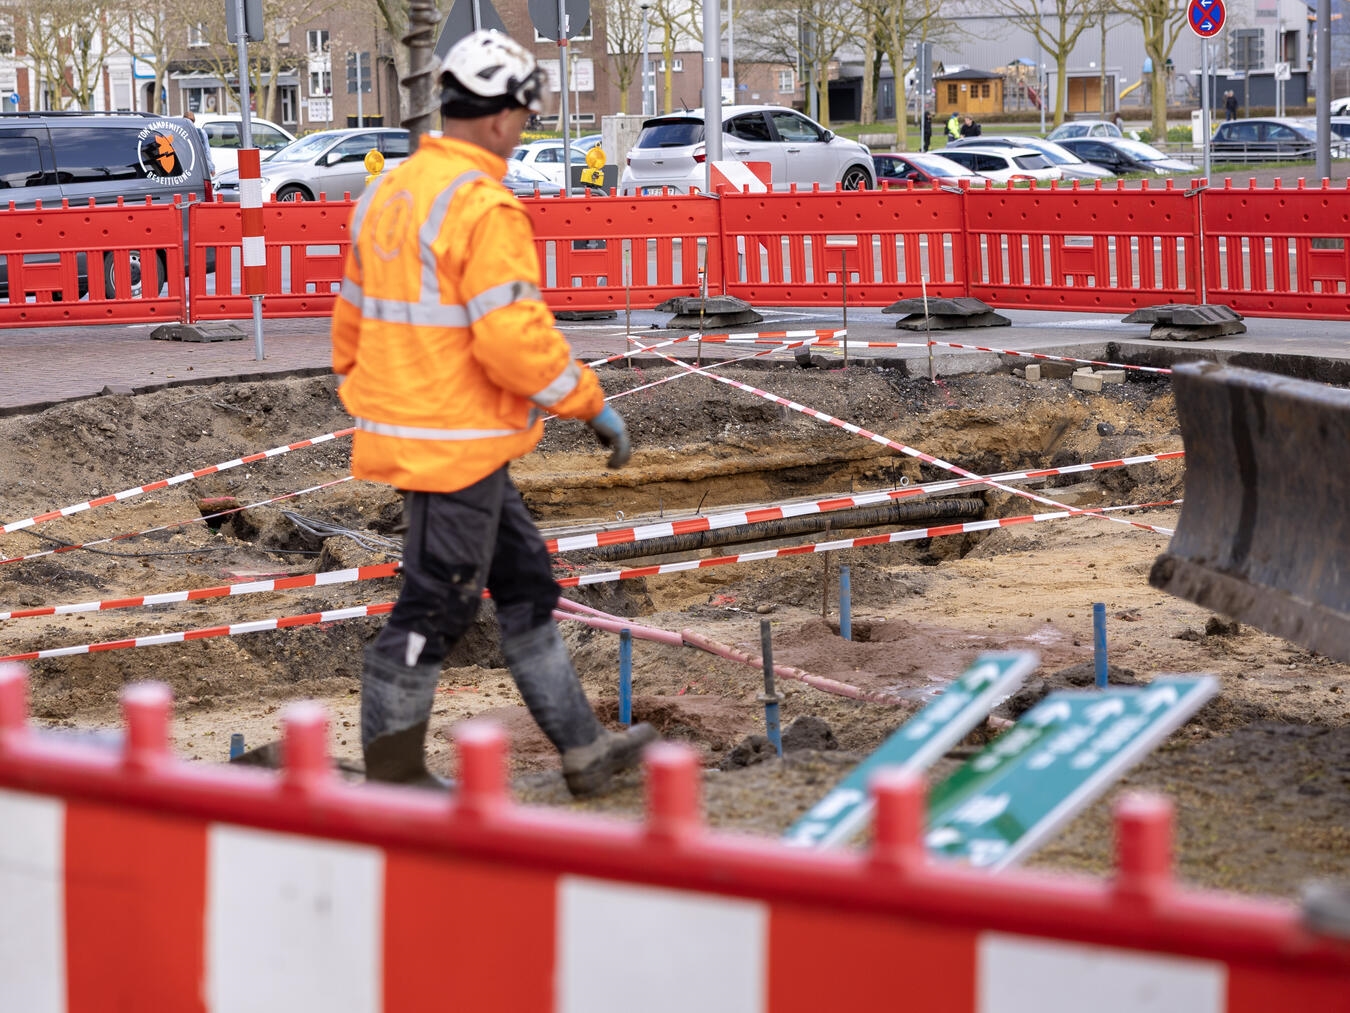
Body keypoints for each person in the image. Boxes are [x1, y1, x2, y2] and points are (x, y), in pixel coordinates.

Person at [330, 29, 657, 794]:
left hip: (428, 434)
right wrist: (589, 402)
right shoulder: (482, 207)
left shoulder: (388, 192)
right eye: (523, 118)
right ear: (505, 118)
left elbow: (348, 326)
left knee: (526, 584)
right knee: (435, 603)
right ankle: (395, 776)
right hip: (457, 441)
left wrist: (388, 395)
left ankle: (584, 750)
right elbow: (514, 344)